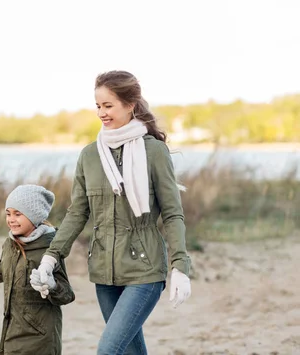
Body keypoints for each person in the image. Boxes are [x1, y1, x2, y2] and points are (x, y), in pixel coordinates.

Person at [31, 70, 192, 355]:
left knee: (108, 350)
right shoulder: (89, 155)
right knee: (130, 351)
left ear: (130, 105)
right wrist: (51, 256)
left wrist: (180, 266)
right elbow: (77, 212)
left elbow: (172, 213)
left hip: (145, 269)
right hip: (103, 271)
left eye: (108, 105)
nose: (101, 113)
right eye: (98, 106)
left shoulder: (154, 151)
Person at [0, 185, 75, 355]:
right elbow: (1, 269)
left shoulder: (50, 250)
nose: (11, 219)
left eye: (18, 214)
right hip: (11, 333)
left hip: (40, 340)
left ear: (35, 215)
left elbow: (66, 295)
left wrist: (52, 286)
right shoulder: (10, 244)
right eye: (8, 213)